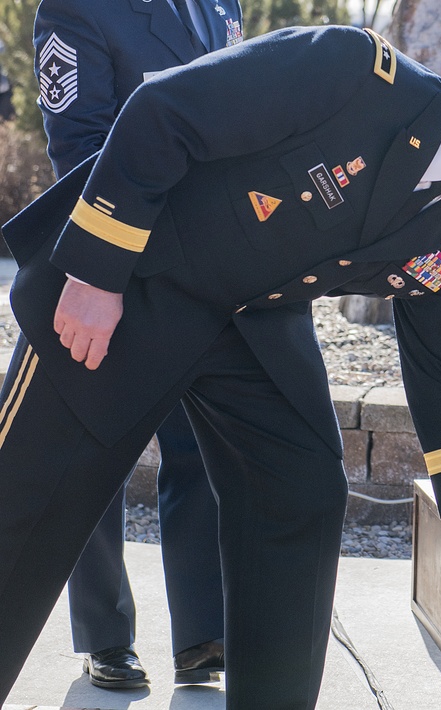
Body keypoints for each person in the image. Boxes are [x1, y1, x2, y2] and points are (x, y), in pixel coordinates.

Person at [0, 26, 441, 708]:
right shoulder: (353, 74)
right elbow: (164, 111)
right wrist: (98, 274)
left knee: (301, 490)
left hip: (251, 318)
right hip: (140, 281)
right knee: (27, 502)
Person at [31, 0, 242, 689]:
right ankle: (105, 635)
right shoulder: (76, 7)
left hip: (199, 268)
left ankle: (202, 636)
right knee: (90, 456)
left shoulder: (221, 3)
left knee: (200, 451)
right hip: (103, 267)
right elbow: (79, 145)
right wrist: (123, 258)